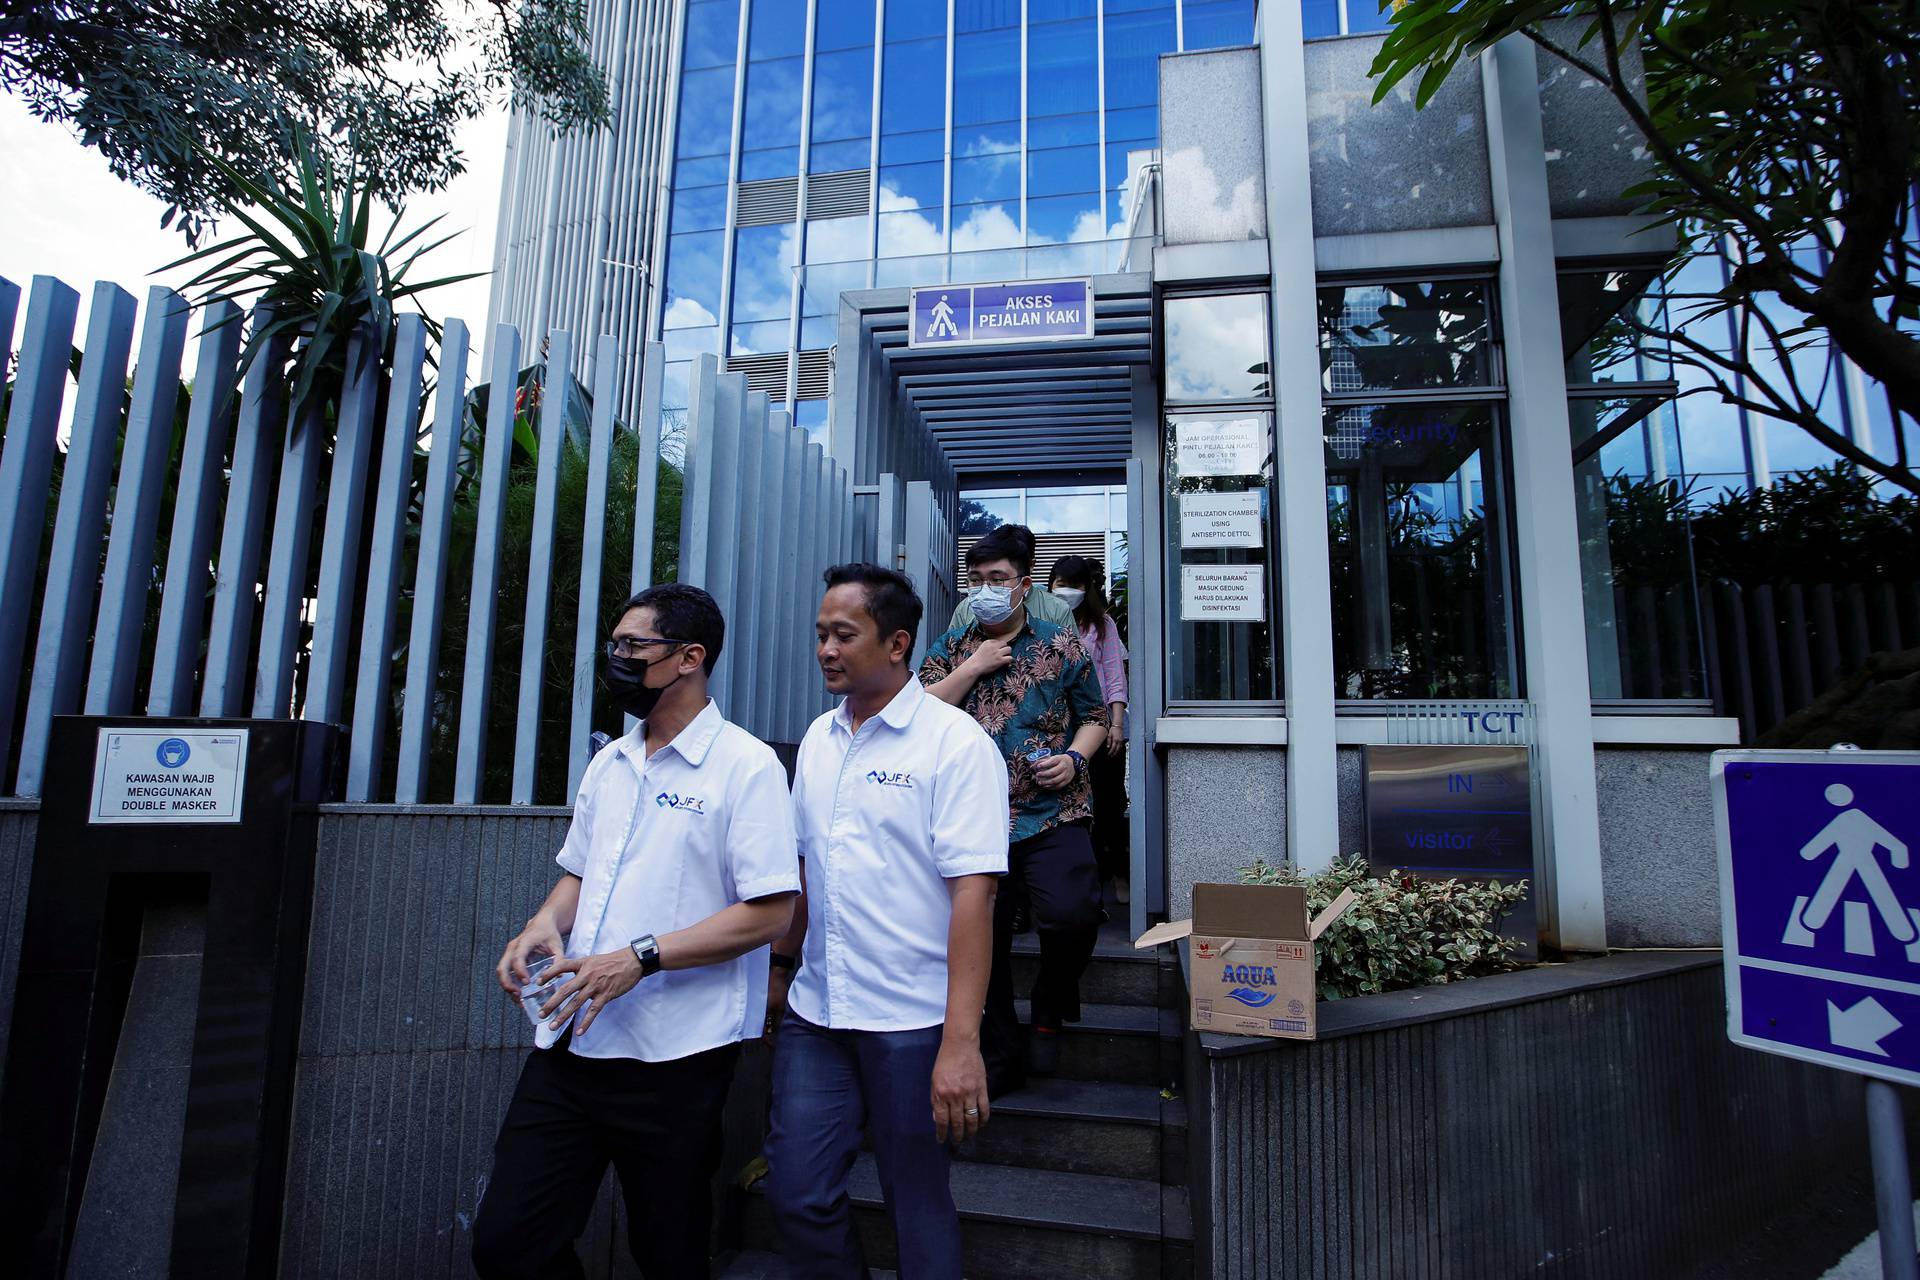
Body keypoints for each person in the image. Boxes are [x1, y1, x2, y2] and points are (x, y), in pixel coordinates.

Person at [472, 584, 800, 1280]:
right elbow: (580, 873)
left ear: (689, 657)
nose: (615, 660)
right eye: (613, 646)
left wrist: (641, 959)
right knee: (507, 1244)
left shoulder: (746, 767)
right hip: (570, 1043)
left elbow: (771, 912)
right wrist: (539, 925)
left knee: (670, 1253)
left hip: (678, 1058)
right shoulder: (611, 761)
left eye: (631, 647)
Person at [765, 563, 1009, 1280]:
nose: (826, 650)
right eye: (820, 635)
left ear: (897, 643)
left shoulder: (954, 745)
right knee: (796, 1193)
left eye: (844, 635)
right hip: (818, 1014)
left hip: (912, 1023)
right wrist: (783, 969)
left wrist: (961, 1044)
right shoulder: (817, 740)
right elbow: (808, 868)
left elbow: (976, 896)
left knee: (917, 1200)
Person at [919, 525, 1107, 1092]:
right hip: (975, 817)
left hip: (1053, 809)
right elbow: (918, 712)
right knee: (984, 933)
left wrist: (1075, 758)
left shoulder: (1059, 641)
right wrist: (973, 665)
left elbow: (1094, 715)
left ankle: (1050, 1004)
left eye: (997, 580)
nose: (984, 590)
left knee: (1073, 913)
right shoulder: (953, 646)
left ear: (1024, 585)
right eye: (976, 580)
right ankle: (998, 1049)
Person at [1048, 554, 1130, 908]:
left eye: (1075, 585)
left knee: (1108, 805)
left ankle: (1115, 873)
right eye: (1059, 584)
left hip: (1098, 728)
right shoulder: (1041, 622)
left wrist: (1117, 723)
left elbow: (1114, 675)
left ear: (1087, 588)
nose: (1066, 592)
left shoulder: (1102, 625)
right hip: (1057, 731)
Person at [946, 525, 1073, 631]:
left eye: (997, 579)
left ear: (1030, 565)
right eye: (975, 579)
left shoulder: (1056, 609)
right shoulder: (965, 609)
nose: (986, 588)